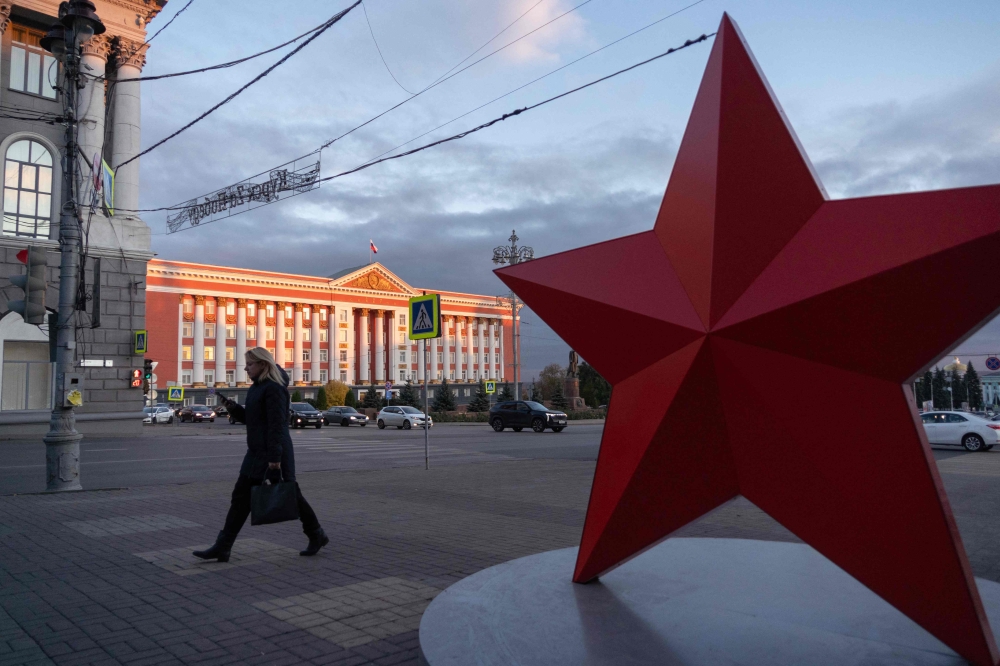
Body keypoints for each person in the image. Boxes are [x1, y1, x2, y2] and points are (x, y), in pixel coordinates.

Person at [193, 347, 328, 562]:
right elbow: (253, 419)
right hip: (256, 451)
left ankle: (316, 534)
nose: (245, 368)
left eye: (250, 364)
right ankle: (223, 546)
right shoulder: (257, 387)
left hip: (273, 451)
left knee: (290, 495)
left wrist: (275, 460)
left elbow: (277, 426)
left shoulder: (274, 388)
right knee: (241, 498)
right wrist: (233, 408)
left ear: (263, 364)